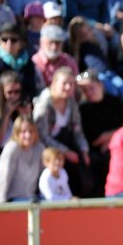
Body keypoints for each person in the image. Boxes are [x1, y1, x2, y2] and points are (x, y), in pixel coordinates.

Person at [33, 68, 92, 197]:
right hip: (49, 148)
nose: (68, 87)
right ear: (53, 84)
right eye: (64, 83)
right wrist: (65, 152)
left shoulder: (71, 102)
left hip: (67, 142)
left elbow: (77, 129)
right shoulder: (44, 104)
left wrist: (84, 150)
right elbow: (42, 136)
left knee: (87, 169)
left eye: (71, 84)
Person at [0, 116, 44, 202]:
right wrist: (1, 204)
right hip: (12, 199)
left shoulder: (39, 148)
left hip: (32, 198)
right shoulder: (12, 148)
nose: (28, 135)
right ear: (16, 133)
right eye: (23, 132)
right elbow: (3, 176)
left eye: (31, 131)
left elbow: (45, 175)